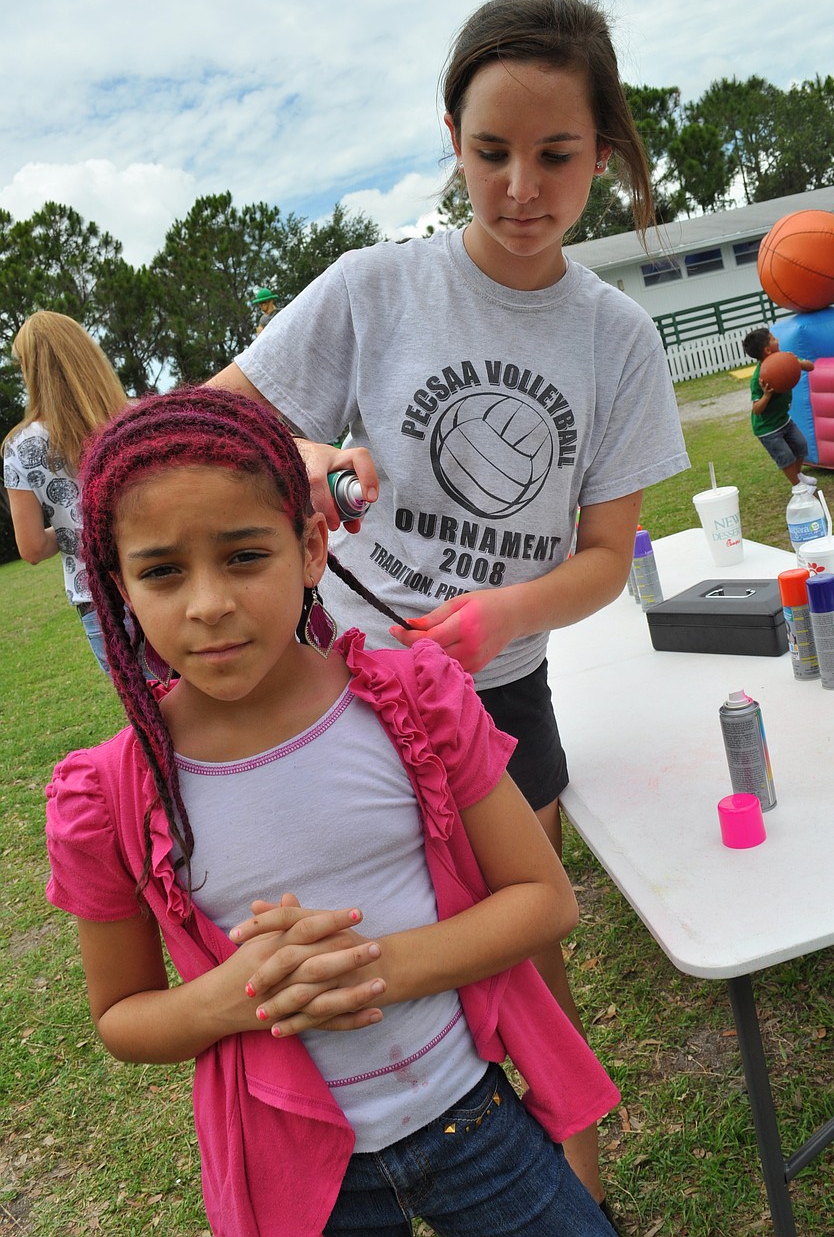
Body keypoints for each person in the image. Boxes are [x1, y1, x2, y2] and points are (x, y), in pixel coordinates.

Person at [209, 0, 689, 1215]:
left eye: (556, 154)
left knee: (530, 966)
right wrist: (307, 459)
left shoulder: (616, 340)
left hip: (496, 695)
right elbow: (210, 428)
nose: (521, 187)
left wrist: (502, 619)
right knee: (364, 983)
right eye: (491, 154)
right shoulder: (374, 288)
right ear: (451, 142)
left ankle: (578, 1204)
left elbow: (598, 556)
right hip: (344, 701)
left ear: (607, 152)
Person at [45, 386, 620, 1237]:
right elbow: (122, 1015)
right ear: (117, 585)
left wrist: (364, 966)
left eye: (244, 555)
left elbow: (545, 900)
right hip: (299, 1173)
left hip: (471, 1116)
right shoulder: (107, 796)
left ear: (312, 546)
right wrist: (246, 997)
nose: (207, 603)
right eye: (162, 570)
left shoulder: (416, 701)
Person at [2, 311, 128, 672]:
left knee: (151, 710)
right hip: (160, 576)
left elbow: (32, 549)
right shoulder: (131, 416)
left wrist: (72, 526)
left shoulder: (21, 446)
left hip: (98, 601)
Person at [742, 327, 816, 490]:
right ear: (767, 350)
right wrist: (767, 395)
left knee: (801, 446)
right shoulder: (759, 378)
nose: (778, 340)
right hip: (767, 428)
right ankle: (797, 487)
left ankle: (798, 475)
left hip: (783, 419)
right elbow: (757, 410)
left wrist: (798, 363)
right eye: (773, 338)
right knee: (785, 457)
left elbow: (811, 367)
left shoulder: (785, 359)